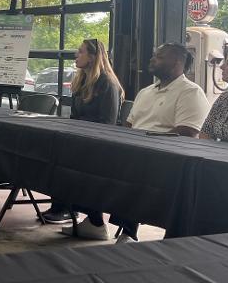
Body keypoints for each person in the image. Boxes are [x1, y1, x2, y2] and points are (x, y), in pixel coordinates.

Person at [67, 43, 210, 243]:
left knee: (133, 168)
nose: (152, 59)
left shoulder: (190, 92)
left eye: (159, 57)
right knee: (87, 160)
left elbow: (187, 132)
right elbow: (129, 124)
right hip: (136, 148)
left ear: (177, 62)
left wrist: (146, 141)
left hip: (165, 155)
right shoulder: (146, 91)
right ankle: (94, 221)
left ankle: (128, 232)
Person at [42, 39, 124, 230]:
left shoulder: (107, 83)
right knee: (54, 152)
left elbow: (108, 122)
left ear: (93, 57)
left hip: (101, 143)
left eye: (81, 52)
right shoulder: (81, 81)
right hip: (82, 137)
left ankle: (74, 211)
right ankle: (63, 206)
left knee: (68, 159)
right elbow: (75, 116)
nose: (76, 55)